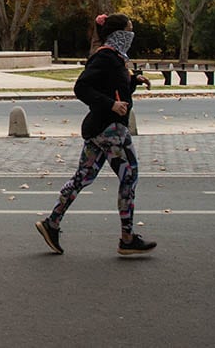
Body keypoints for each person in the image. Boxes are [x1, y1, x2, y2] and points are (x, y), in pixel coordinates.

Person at [35, 13, 156, 256]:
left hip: (97, 129)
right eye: (129, 30)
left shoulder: (115, 58)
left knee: (83, 177)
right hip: (110, 129)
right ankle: (127, 237)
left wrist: (133, 81)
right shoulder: (105, 56)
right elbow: (82, 87)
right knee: (129, 175)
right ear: (118, 33)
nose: (132, 34)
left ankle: (52, 223)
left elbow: (111, 84)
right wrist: (111, 105)